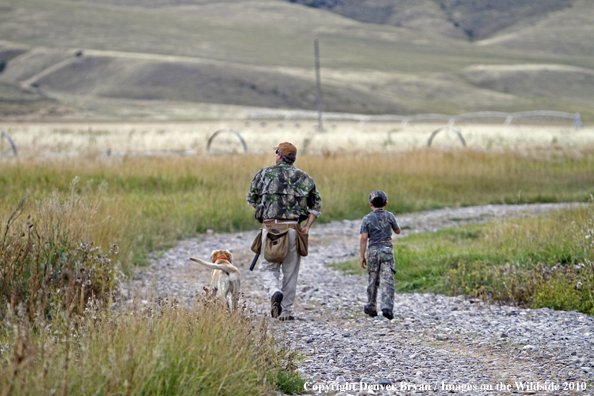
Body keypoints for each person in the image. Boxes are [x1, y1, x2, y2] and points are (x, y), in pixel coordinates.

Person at [247, 142, 322, 321]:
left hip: (270, 228)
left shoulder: (263, 173)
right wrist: (307, 227)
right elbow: (316, 206)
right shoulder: (305, 178)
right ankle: (287, 311)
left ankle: (274, 291)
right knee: (290, 273)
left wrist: (266, 212)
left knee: (266, 268)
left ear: (279, 155)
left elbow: (252, 199)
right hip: (293, 229)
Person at [360, 190, 401, 320]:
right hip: (387, 249)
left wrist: (362, 256)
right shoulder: (390, 216)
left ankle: (371, 306)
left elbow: (364, 237)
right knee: (388, 279)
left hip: (373, 251)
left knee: (373, 279)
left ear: (370, 204)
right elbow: (398, 231)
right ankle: (387, 307)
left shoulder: (366, 218)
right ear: (386, 203)